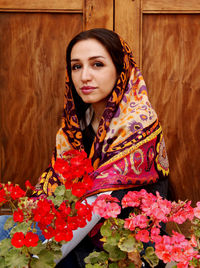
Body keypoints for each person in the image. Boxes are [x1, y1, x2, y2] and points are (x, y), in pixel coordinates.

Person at [0, 28, 169, 267]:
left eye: (97, 64)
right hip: (73, 232)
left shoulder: (138, 124)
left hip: (122, 247)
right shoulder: (76, 124)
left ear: (121, 69)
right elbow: (56, 190)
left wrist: (37, 258)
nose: (84, 76)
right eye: (76, 66)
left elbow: (98, 203)